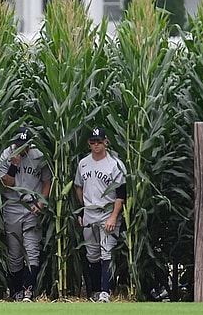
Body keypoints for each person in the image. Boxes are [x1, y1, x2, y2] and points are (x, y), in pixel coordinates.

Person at [0, 126, 52, 302]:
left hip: (32, 207)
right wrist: (14, 164)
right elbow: (6, 183)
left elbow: (47, 181)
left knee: (32, 250)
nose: (21, 149)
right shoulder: (7, 154)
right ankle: (16, 292)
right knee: (15, 254)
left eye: (25, 145)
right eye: (18, 145)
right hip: (12, 206)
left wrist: (41, 202)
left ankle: (28, 291)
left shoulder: (38, 155)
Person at [74, 127, 127, 303]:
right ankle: (95, 291)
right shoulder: (83, 163)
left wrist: (114, 216)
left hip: (107, 212)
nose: (96, 145)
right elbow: (78, 187)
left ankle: (106, 291)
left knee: (107, 252)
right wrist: (81, 210)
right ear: (88, 143)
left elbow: (121, 193)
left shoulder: (115, 164)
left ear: (106, 142)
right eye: (92, 142)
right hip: (89, 212)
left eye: (99, 141)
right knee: (92, 254)